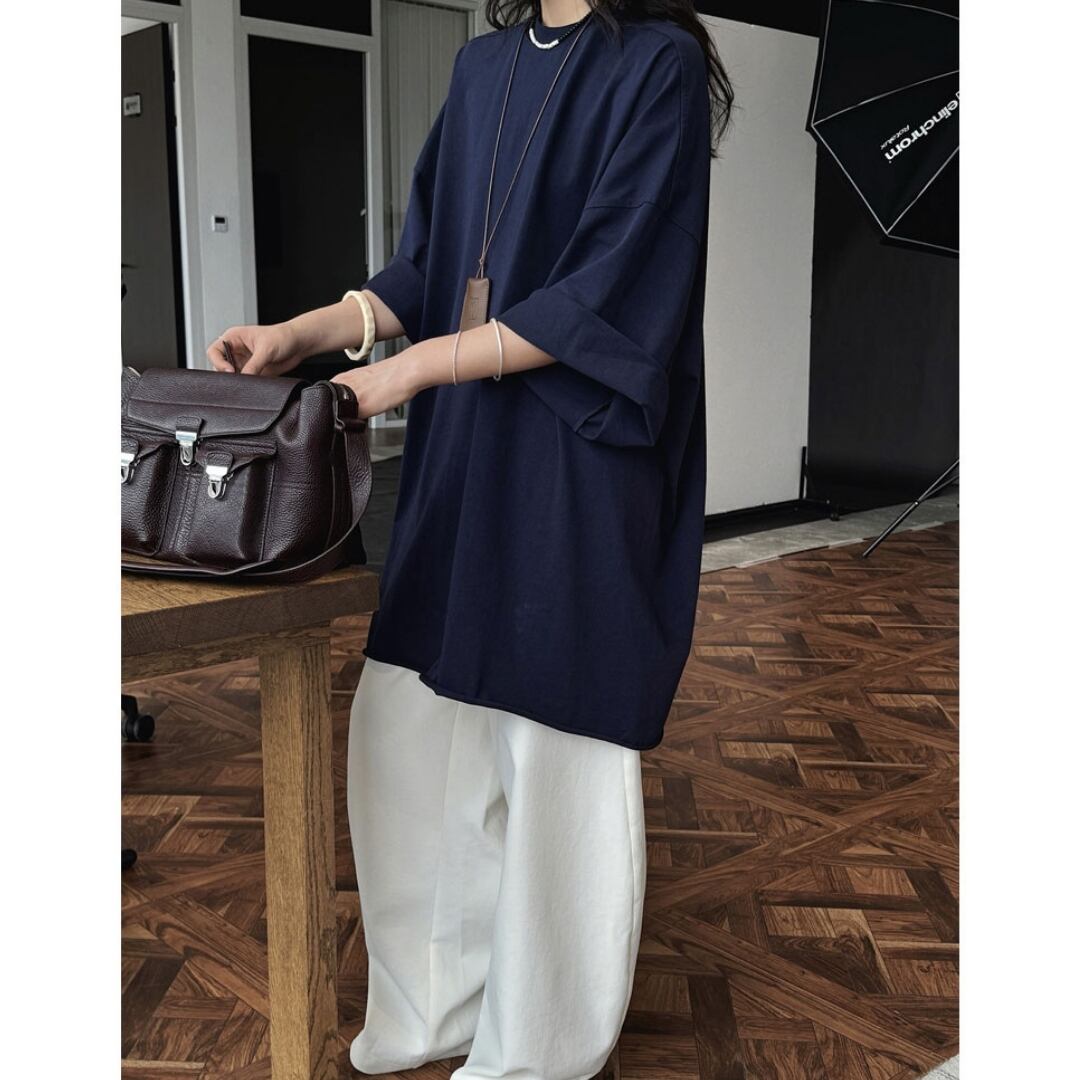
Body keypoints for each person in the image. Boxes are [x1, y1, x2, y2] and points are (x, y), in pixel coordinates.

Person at [209, 1, 731, 1075]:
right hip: (464, 452)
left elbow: (611, 289)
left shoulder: (660, 66)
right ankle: (430, 1010)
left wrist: (403, 376)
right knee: (407, 729)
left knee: (555, 752)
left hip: (576, 459)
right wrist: (303, 334)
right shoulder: (482, 64)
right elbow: (429, 266)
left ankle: (537, 1050)